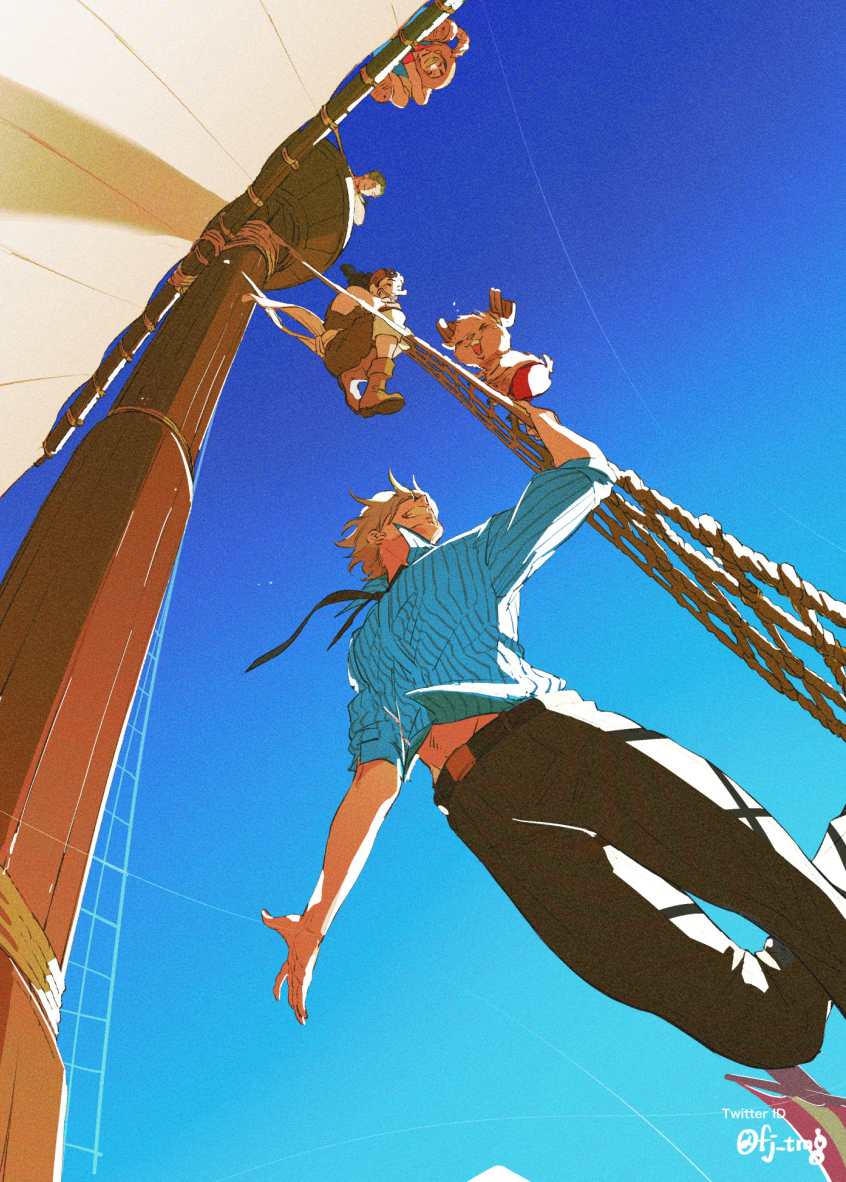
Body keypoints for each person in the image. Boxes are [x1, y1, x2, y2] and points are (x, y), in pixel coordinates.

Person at [260, 404, 846, 1068]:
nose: (411, 524)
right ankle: (834, 879)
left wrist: (527, 409)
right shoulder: (367, 654)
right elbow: (375, 784)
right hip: (487, 815)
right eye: (404, 516)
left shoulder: (465, 558)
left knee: (765, 874)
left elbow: (585, 472)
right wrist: (315, 922)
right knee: (770, 1028)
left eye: (412, 515)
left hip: (557, 741)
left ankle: (830, 891)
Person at [322, 264, 408, 417]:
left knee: (404, 337)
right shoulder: (357, 293)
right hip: (338, 348)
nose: (393, 289)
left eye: (397, 286)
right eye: (388, 284)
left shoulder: (381, 310)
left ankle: (353, 379)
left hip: (355, 360)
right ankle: (375, 388)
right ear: (374, 287)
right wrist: (390, 307)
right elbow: (367, 307)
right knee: (394, 319)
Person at [437, 289, 553, 401]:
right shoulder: (487, 368)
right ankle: (518, 400)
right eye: (464, 341)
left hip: (523, 373)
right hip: (514, 388)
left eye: (483, 328)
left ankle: (519, 390)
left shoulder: (505, 359)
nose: (473, 341)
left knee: (507, 374)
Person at [371, 20, 469, 108]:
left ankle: (384, 77)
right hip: (392, 28)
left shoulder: (410, 69)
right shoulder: (428, 41)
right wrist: (463, 37)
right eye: (440, 65)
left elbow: (420, 100)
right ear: (438, 53)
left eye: (431, 73)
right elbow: (446, 27)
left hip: (381, 50)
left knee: (402, 101)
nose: (434, 67)